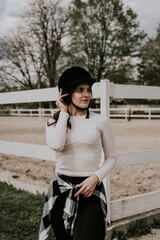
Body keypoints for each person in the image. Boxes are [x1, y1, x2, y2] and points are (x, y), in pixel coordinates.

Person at [39, 66, 117, 240]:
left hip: (90, 189)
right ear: (66, 94)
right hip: (61, 190)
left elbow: (112, 158)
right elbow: (58, 145)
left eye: (88, 90)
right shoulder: (53, 122)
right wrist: (64, 113)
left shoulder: (100, 121)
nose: (86, 95)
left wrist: (95, 178)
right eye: (79, 90)